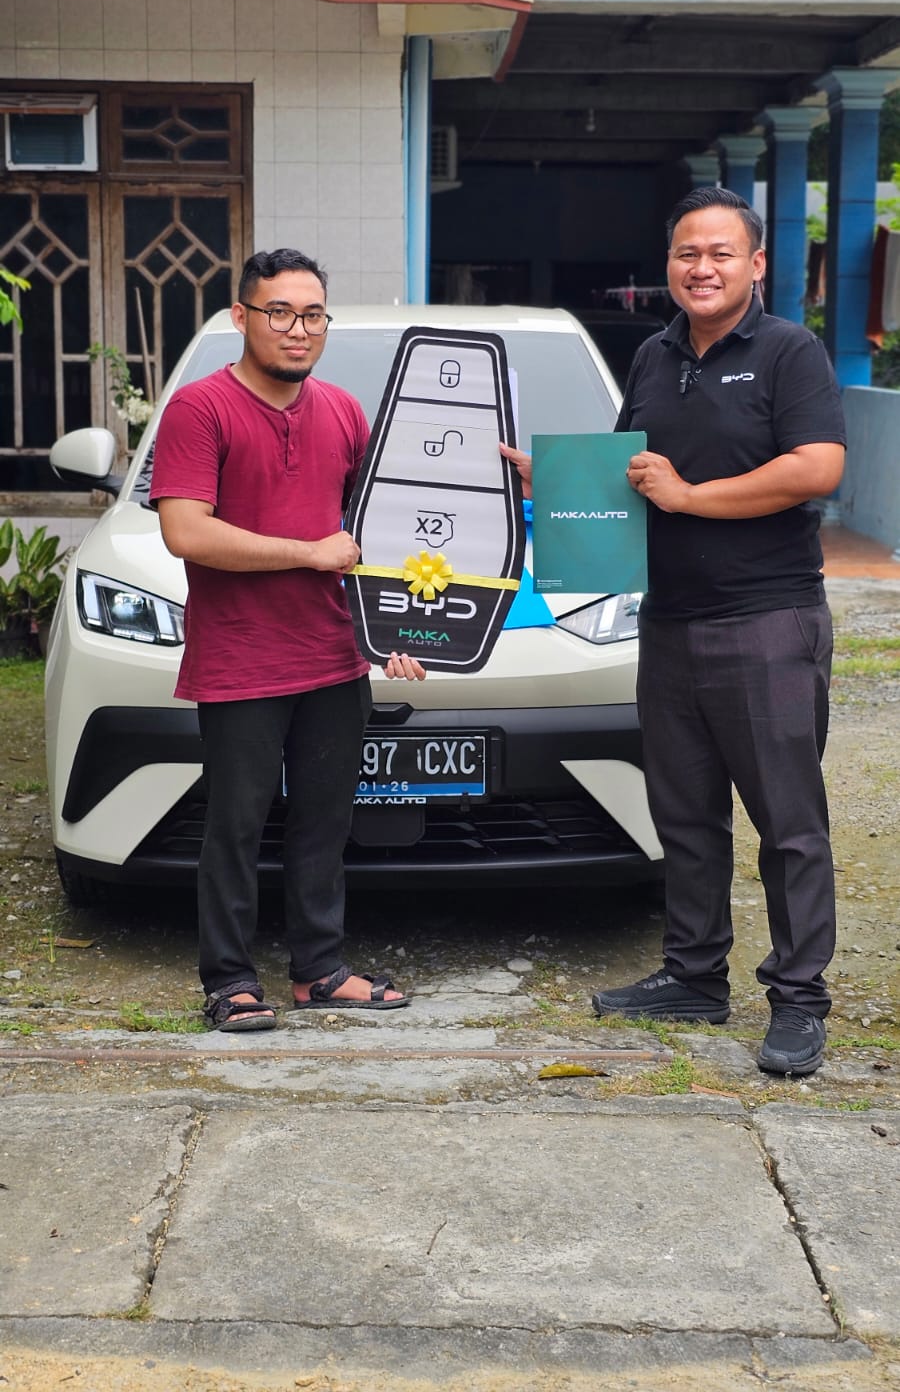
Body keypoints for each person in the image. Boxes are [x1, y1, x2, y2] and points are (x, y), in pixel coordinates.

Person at [502, 187, 846, 1077]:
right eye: (687, 253)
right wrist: (558, 482)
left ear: (756, 264)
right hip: (667, 622)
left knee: (788, 823)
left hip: (765, 621)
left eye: (721, 253)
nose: (702, 268)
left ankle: (799, 998)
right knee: (685, 815)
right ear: (668, 266)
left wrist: (691, 497)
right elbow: (627, 478)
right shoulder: (654, 356)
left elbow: (816, 466)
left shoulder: (788, 351)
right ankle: (694, 976)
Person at [151, 248, 425, 1031]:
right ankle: (230, 981)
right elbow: (185, 532)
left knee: (324, 824)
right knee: (235, 827)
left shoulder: (343, 411)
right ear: (242, 317)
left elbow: (381, 531)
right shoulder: (200, 409)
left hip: (334, 656)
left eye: (311, 315)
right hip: (240, 658)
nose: (297, 330)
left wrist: (397, 631)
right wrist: (308, 552)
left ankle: (320, 971)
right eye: (279, 313)